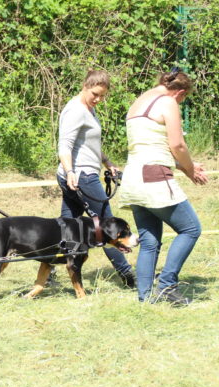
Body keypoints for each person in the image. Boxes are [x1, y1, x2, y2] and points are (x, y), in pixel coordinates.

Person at [118, 69, 208, 305]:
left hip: (133, 177)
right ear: (179, 92)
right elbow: (177, 144)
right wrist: (189, 169)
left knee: (149, 241)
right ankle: (167, 286)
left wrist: (182, 166)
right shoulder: (168, 102)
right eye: (183, 99)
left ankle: (145, 297)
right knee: (190, 229)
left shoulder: (139, 101)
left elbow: (151, 145)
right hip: (154, 177)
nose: (180, 103)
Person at [56, 69, 136, 287]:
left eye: (102, 96)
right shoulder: (76, 111)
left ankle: (50, 270)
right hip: (81, 176)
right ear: (85, 86)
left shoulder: (88, 109)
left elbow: (89, 145)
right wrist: (70, 171)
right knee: (108, 226)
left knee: (67, 227)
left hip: (81, 173)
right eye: (95, 94)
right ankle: (128, 276)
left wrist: (107, 162)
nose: (99, 99)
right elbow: (65, 145)